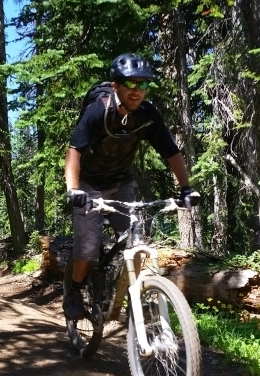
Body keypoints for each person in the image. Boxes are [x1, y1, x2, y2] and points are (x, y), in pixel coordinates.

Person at [62, 52, 200, 321]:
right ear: (116, 86)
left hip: (120, 183)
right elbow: (74, 151)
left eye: (143, 84)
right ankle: (74, 292)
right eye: (131, 84)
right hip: (89, 185)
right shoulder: (98, 111)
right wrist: (74, 189)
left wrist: (186, 188)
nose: (137, 91)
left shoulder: (147, 115)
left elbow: (171, 152)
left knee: (136, 241)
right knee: (88, 247)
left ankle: (133, 296)